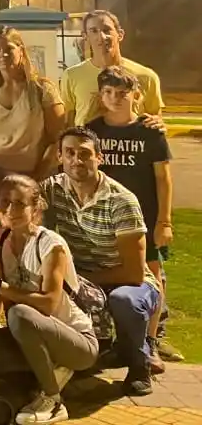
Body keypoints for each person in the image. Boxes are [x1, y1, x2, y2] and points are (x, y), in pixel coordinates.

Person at [0, 175, 98, 425]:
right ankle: (41, 377)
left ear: (35, 208)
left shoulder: (51, 245)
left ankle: (53, 399)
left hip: (77, 341)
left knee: (20, 314)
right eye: (5, 202)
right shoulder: (2, 238)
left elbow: (48, 303)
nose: (10, 210)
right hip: (32, 332)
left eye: (20, 204)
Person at [40, 127, 160, 396]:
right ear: (59, 157)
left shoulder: (122, 200)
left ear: (99, 158)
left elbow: (134, 273)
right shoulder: (52, 189)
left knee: (125, 301)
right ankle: (84, 357)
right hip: (84, 278)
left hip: (127, 282)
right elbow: (16, 206)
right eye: (69, 153)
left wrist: (76, 278)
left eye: (85, 154)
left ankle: (140, 365)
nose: (76, 160)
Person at [86, 65, 175, 367]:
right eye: (109, 92)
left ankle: (150, 343)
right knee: (110, 277)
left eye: (123, 93)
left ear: (136, 95)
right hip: (105, 220)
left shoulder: (150, 132)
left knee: (152, 275)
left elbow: (163, 179)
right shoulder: (94, 131)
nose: (115, 98)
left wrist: (164, 221)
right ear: (101, 96)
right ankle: (116, 341)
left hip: (145, 218)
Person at [0, 27, 65, 209]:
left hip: (36, 180)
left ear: (21, 50)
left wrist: (34, 180)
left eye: (9, 49)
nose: (2, 54)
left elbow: (57, 141)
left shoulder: (43, 89)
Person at [61, 10, 164, 126]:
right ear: (85, 36)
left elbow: (156, 120)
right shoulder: (72, 75)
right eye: (94, 31)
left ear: (120, 34)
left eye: (106, 30)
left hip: (131, 142)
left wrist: (158, 122)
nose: (102, 36)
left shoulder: (147, 76)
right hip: (88, 143)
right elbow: (68, 121)